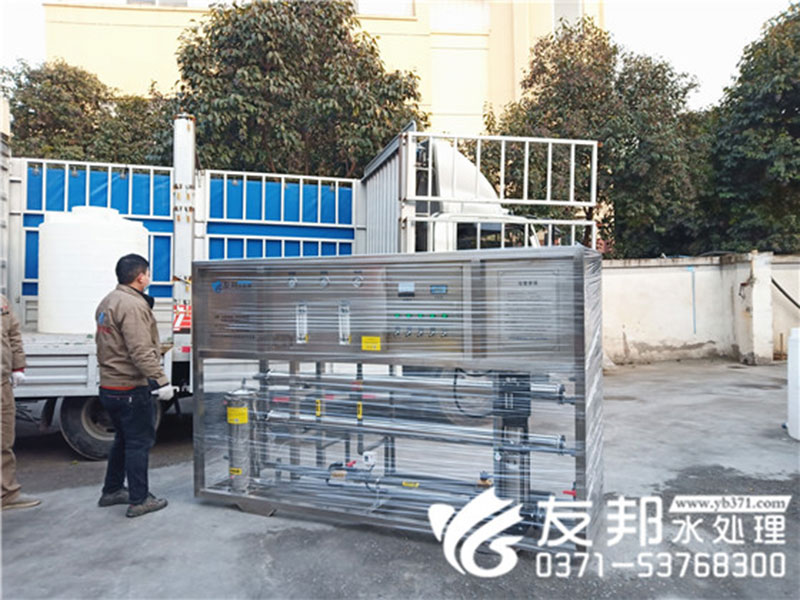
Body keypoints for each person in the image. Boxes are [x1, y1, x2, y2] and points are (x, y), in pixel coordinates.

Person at [95, 254, 176, 517]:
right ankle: (140, 500)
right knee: (138, 443)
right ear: (141, 277)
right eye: (148, 274)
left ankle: (112, 490)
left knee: (123, 439)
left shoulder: (108, 301)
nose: (149, 278)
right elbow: (140, 351)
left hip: (110, 386)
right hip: (129, 387)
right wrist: (161, 381)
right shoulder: (132, 306)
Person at [1, 295, 41, 511]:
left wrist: (18, 367)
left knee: (4, 440)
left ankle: (6, 494)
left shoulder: (1, 302)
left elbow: (13, 334)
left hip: (1, 383)